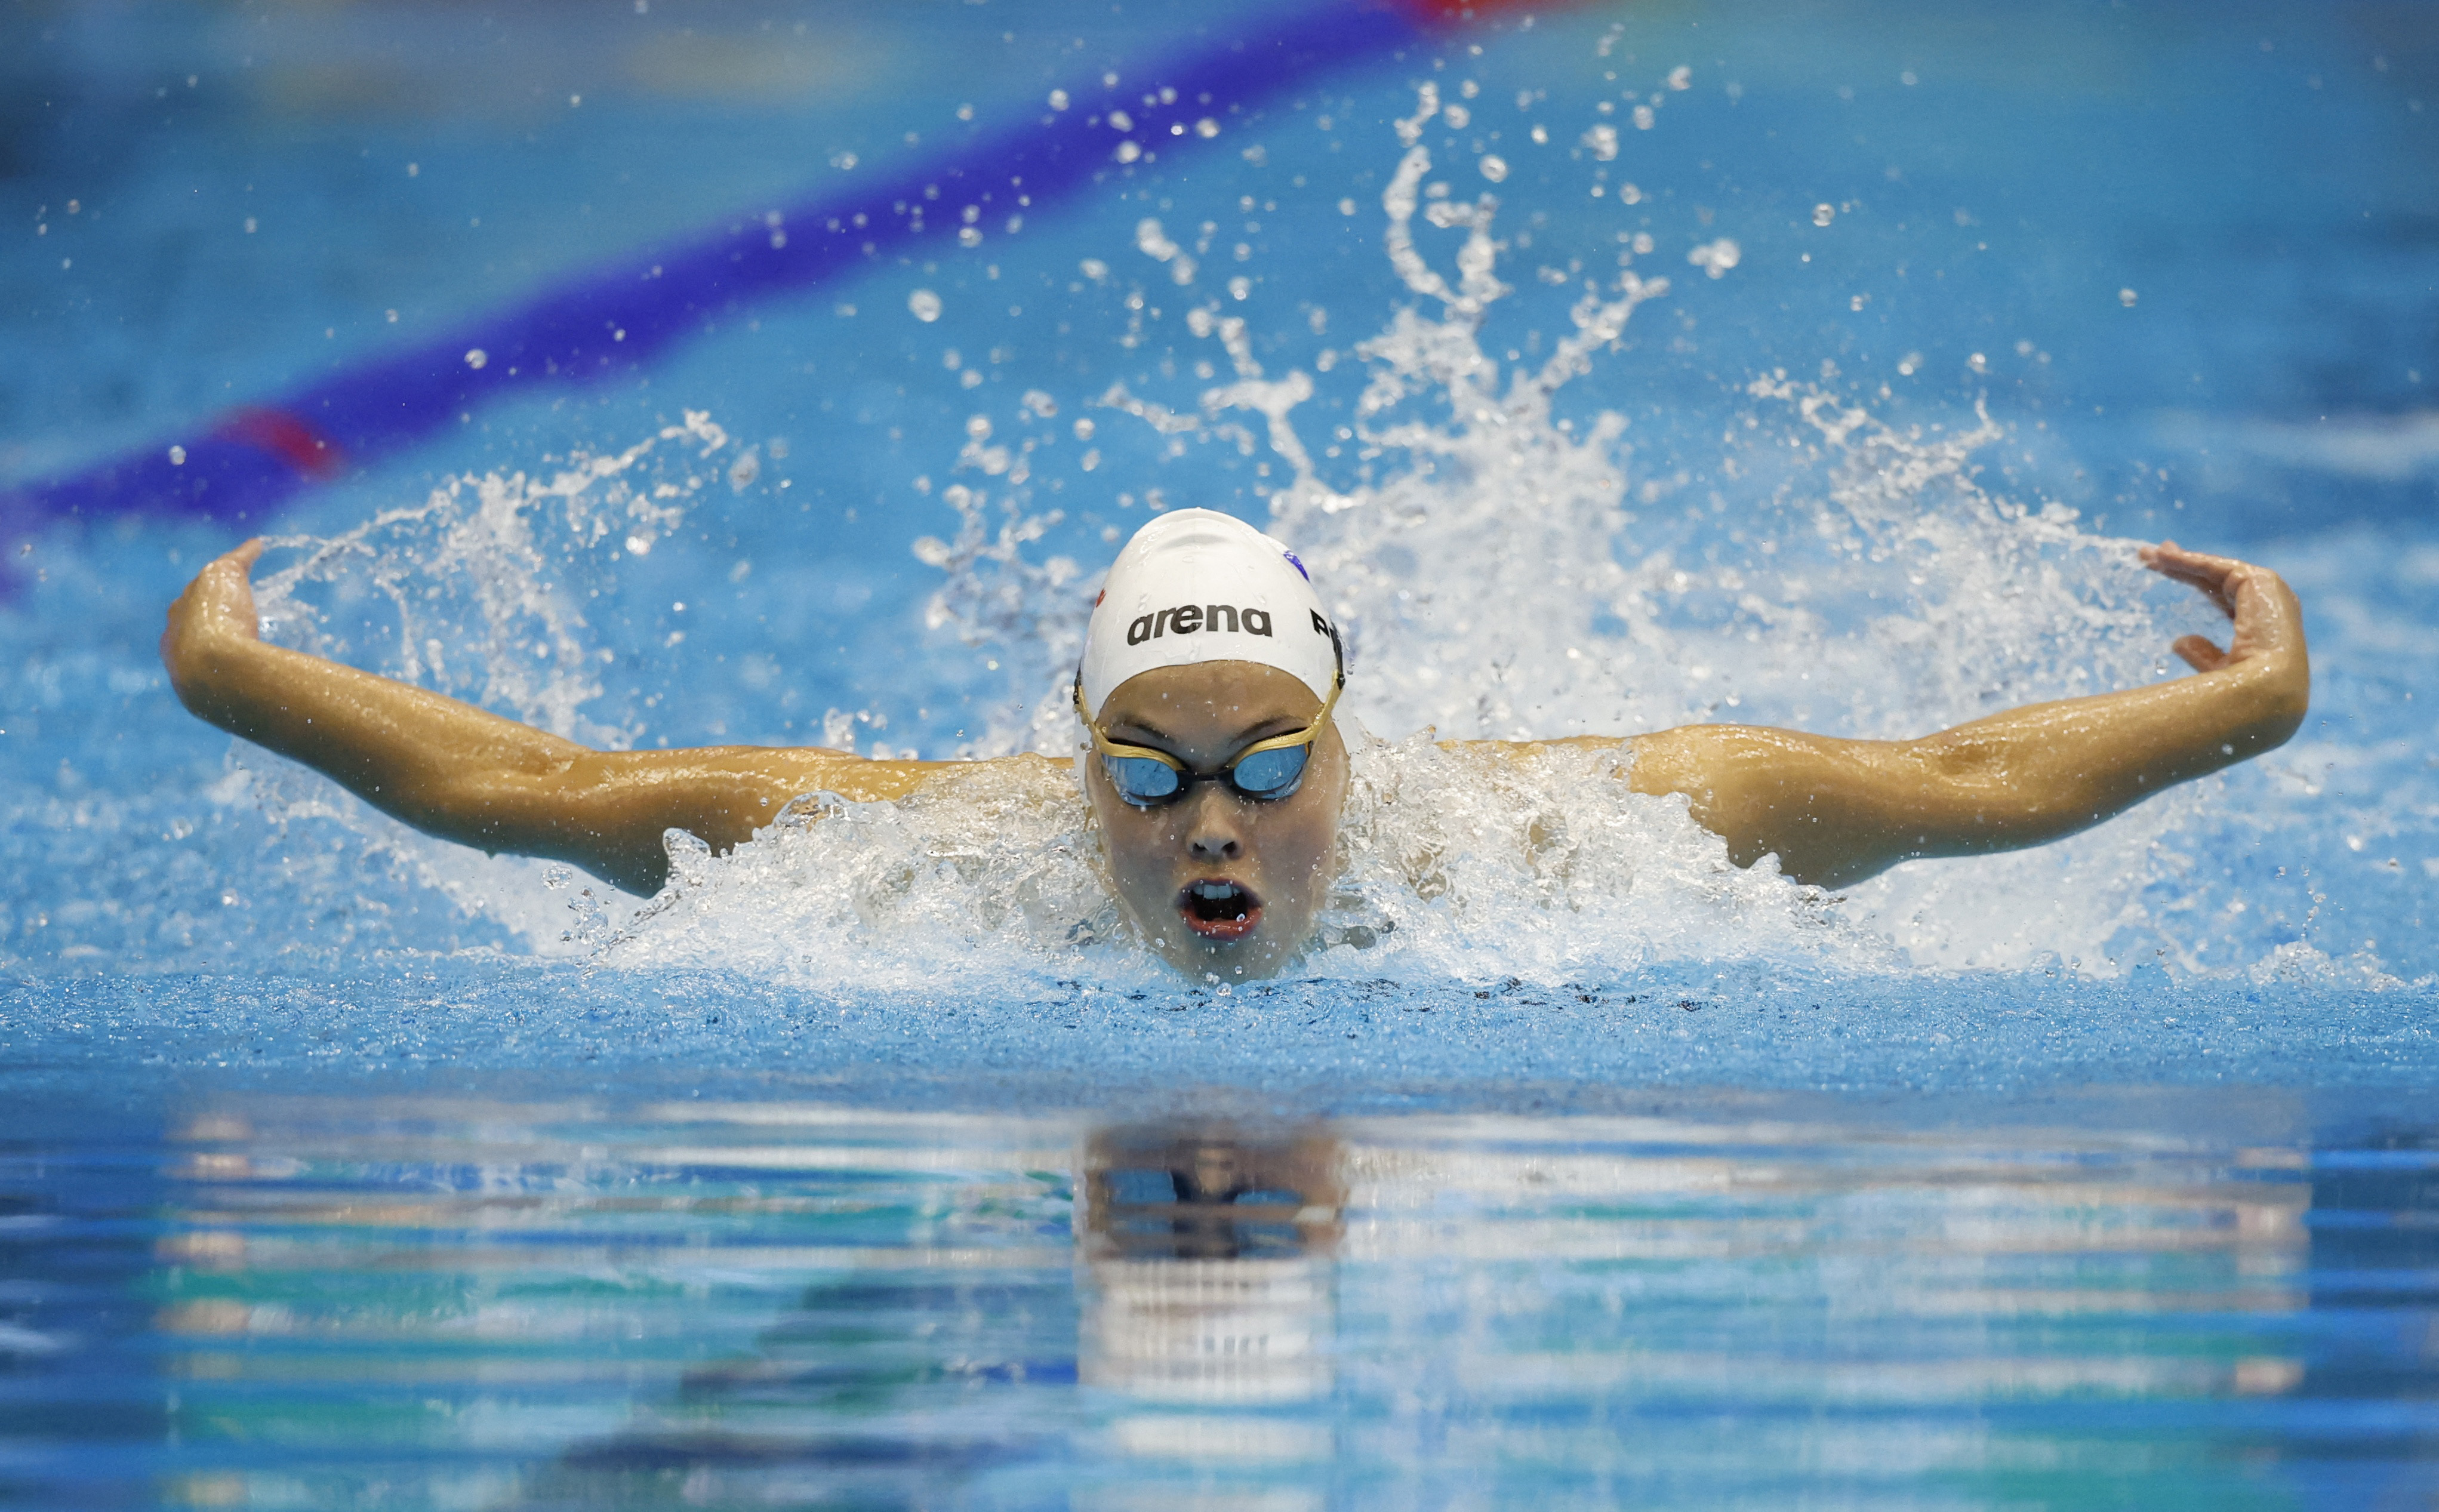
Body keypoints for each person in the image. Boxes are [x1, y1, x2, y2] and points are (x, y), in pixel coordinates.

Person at [160, 510, 2308, 979]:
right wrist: (234, 677)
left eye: (1269, 761)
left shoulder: (1577, 838)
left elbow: (1954, 790)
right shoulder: (908, 861)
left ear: (1347, 740)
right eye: (1154, 765)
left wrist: (2255, 713)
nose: (1212, 819)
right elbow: (535, 794)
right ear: (1077, 750)